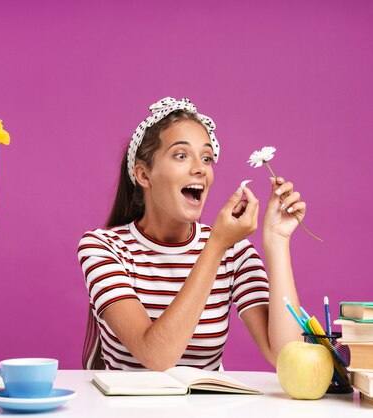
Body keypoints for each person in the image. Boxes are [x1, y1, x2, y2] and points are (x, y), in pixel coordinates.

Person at [78, 97, 304, 371]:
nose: (200, 168)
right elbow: (156, 357)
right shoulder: (102, 248)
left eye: (207, 158)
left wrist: (277, 240)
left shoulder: (236, 252)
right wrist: (216, 245)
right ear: (144, 175)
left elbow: (287, 356)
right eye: (181, 155)